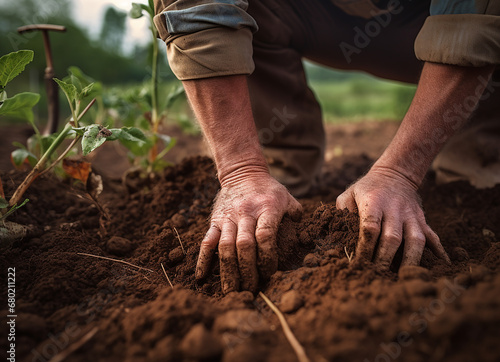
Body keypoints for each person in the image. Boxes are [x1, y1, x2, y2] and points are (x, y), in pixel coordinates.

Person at [153, 0, 500, 293]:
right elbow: (198, 8)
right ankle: (272, 178)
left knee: (474, 191)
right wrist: (240, 171)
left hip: (425, 18)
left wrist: (398, 173)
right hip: (309, 13)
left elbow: (474, 21)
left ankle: (474, 161)